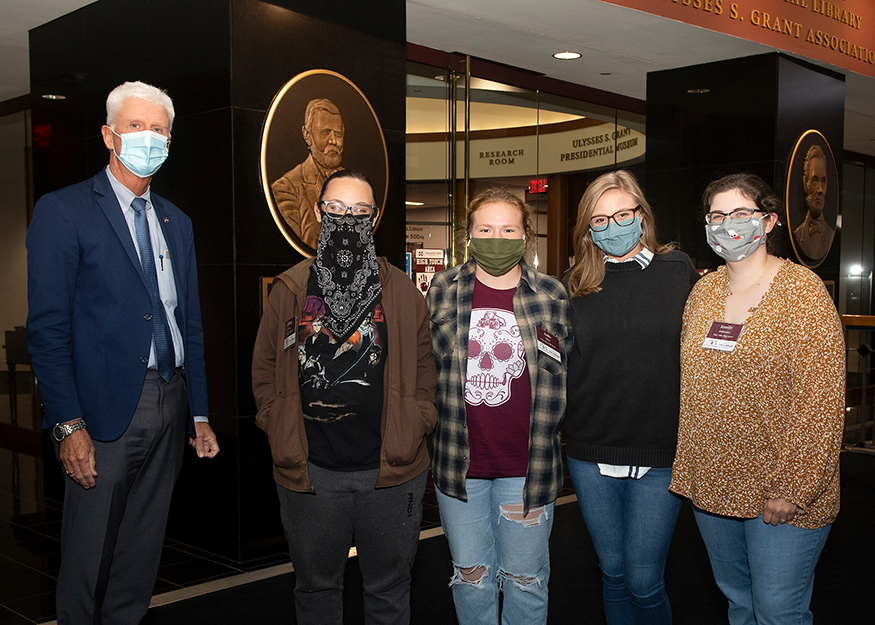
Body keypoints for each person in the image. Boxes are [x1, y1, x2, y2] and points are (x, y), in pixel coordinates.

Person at [26, 80, 219, 625]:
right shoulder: (63, 212)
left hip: (170, 400)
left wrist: (199, 411)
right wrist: (67, 424)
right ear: (110, 136)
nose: (149, 138)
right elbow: (47, 329)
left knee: (141, 552)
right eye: (137, 126)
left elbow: (191, 324)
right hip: (103, 412)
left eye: (159, 129)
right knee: (88, 558)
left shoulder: (175, 222)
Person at [252, 170, 436, 625]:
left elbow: (425, 372)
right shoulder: (290, 288)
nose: (347, 219)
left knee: (389, 592)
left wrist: (418, 421)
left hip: (390, 473)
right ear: (318, 212)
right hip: (312, 473)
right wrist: (274, 423)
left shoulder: (403, 293)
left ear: (373, 219)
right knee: (316, 591)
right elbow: (263, 369)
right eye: (336, 209)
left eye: (359, 211)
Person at [670, 173, 845, 625]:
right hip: (713, 483)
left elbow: (820, 401)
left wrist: (793, 488)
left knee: (777, 611)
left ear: (767, 222)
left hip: (782, 490)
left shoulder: (802, 292)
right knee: (738, 602)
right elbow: (694, 389)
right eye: (717, 215)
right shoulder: (702, 293)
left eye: (741, 213)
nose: (728, 224)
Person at [427, 188, 571, 625]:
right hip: (459, 464)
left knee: (526, 580)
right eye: (485, 229)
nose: (496, 238)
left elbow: (562, 374)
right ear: (468, 235)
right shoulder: (444, 288)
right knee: (471, 578)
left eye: (508, 229)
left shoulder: (551, 293)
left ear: (527, 235)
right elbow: (428, 365)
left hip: (527, 466)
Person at [564, 170, 698, 624]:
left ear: (642, 215)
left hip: (661, 453)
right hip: (589, 450)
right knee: (613, 573)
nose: (613, 226)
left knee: (644, 580)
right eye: (599, 220)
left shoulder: (679, 272)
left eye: (623, 214)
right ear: (588, 230)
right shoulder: (572, 286)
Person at [272, 98, 345, 249]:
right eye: (325, 132)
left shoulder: (354, 185)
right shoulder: (286, 188)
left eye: (338, 134)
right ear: (307, 135)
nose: (333, 141)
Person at [793, 145, 834, 260]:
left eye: (823, 181)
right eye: (815, 180)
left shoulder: (830, 234)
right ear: (806, 183)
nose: (820, 190)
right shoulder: (798, 233)